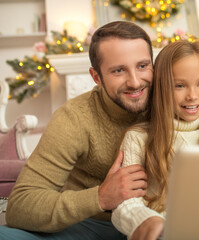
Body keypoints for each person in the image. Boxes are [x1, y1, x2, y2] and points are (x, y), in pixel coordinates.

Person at [0, 21, 152, 239]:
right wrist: (101, 197)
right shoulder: (74, 117)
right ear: (96, 77)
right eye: (119, 70)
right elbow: (20, 205)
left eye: (142, 66)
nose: (135, 82)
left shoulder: (174, 101)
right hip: (90, 225)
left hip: (157, 221)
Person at [110, 40, 199, 240]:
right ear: (162, 87)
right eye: (179, 86)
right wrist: (147, 221)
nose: (192, 96)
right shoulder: (138, 138)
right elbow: (124, 205)